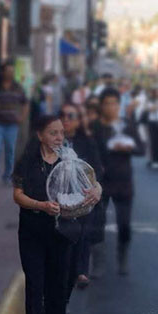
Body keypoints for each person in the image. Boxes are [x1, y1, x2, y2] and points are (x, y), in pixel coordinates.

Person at [12, 115, 99, 314]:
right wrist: (40, 205)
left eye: (61, 133)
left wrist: (97, 192)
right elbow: (17, 195)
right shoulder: (27, 162)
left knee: (58, 284)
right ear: (40, 135)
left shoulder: (70, 161)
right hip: (32, 230)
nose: (59, 137)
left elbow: (93, 182)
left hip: (62, 232)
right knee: (35, 283)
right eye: (53, 133)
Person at [92, 88, 144, 276]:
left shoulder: (127, 125)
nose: (111, 107)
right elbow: (89, 151)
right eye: (107, 103)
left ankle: (122, 258)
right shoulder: (96, 127)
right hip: (101, 182)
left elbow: (141, 149)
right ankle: (98, 262)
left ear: (119, 105)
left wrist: (127, 148)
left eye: (114, 103)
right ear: (101, 106)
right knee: (98, 223)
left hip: (123, 181)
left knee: (124, 224)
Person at [60, 103, 104, 294]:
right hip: (57, 196)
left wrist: (95, 189)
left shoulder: (87, 142)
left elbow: (97, 171)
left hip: (82, 195)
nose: (66, 120)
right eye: (62, 115)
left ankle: (82, 271)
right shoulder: (50, 142)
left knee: (85, 225)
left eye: (70, 116)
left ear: (78, 121)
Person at [0, 60, 28, 185]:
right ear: (2, 72)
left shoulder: (18, 88)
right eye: (8, 71)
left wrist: (22, 117)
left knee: (10, 150)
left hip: (12, 125)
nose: (11, 73)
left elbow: (25, 104)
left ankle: (8, 176)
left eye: (12, 71)